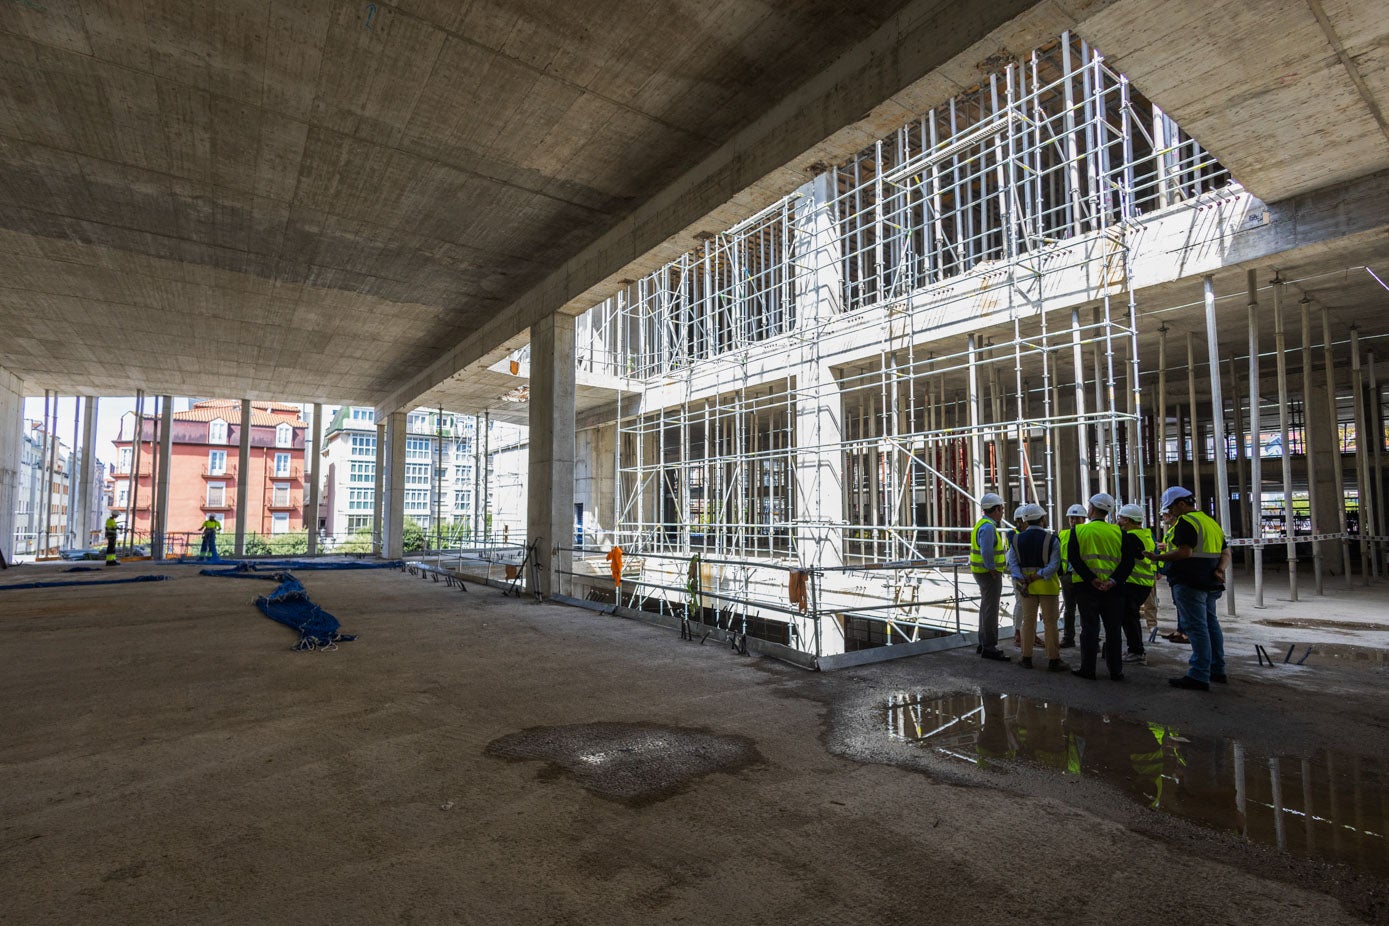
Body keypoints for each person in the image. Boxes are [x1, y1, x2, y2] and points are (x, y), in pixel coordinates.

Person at [1148, 486, 1230, 691]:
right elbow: (1226, 552)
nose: (1170, 512)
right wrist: (1220, 569)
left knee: (1196, 627)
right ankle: (1217, 669)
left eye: (1170, 508)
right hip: (1211, 581)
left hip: (1190, 581)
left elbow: (1185, 552)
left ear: (1181, 504)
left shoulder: (1186, 521)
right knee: (1211, 624)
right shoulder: (1211, 522)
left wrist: (1157, 557)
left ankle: (1199, 675)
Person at [1066, 493, 1133, 681]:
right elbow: (1128, 562)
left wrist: (1091, 579)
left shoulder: (1078, 531)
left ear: (1092, 509)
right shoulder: (1120, 532)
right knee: (1113, 630)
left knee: (1089, 628)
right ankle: (1116, 671)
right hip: (1114, 590)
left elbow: (1074, 559)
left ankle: (1088, 669)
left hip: (1086, 589)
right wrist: (1113, 581)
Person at [1006, 503, 1066, 671]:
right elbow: (1054, 565)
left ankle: (1026, 657)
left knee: (1028, 623)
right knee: (1050, 624)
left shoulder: (1017, 539)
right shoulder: (1052, 539)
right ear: (1042, 519)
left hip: (1027, 588)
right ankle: (1053, 659)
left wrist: (1024, 579)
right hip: (1048, 587)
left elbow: (1013, 564)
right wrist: (1038, 575)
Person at [969, 493, 1010, 661]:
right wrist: (992, 569)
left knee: (986, 607)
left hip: (982, 573)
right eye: (1002, 509)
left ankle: (983, 643)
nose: (1002, 512)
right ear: (996, 509)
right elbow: (986, 551)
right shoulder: (988, 527)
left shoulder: (982, 524)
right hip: (988, 575)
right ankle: (989, 646)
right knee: (991, 609)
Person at [1116, 504, 1154, 666]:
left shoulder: (1130, 537)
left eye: (1120, 518)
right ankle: (1136, 650)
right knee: (1132, 617)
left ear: (1127, 520)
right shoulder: (1146, 534)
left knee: (1129, 618)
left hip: (1133, 583)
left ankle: (1137, 651)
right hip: (1144, 583)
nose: (1118, 521)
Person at [1057, 503, 1087, 648]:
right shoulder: (1063, 534)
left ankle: (1089, 639)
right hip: (1068, 576)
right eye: (1071, 518)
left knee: (1086, 610)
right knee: (1069, 609)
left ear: (1084, 519)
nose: (1073, 521)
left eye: (1077, 518)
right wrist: (1060, 573)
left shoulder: (1088, 534)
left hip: (1083, 577)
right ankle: (1068, 638)